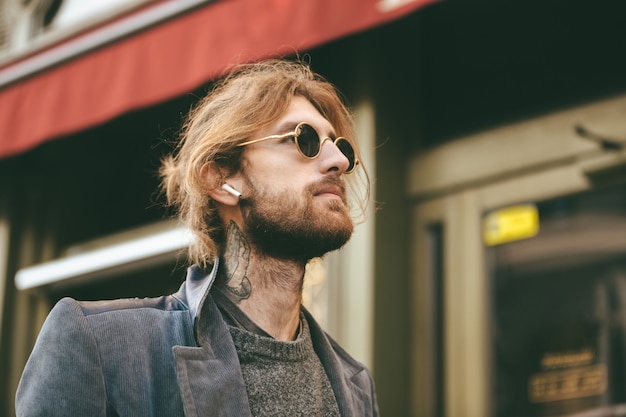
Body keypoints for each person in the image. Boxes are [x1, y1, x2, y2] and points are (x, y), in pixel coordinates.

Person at [15, 58, 378, 416]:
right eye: (305, 139)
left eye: (341, 146)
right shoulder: (100, 346)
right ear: (221, 179)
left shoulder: (355, 386)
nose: (339, 161)